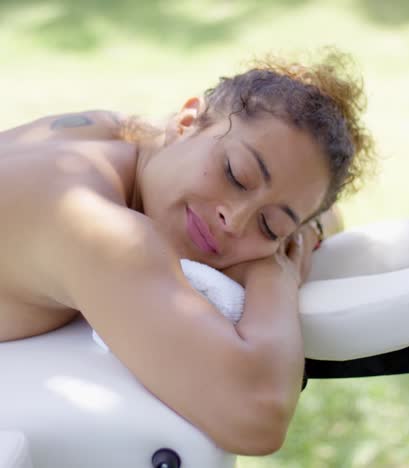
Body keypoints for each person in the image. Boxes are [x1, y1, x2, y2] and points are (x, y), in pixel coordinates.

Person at [0, 48, 374, 455]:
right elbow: (255, 414)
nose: (234, 219)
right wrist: (276, 273)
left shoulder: (117, 133)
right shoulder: (90, 221)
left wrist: (300, 231)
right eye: (236, 175)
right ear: (186, 121)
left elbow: (327, 215)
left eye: (271, 225)